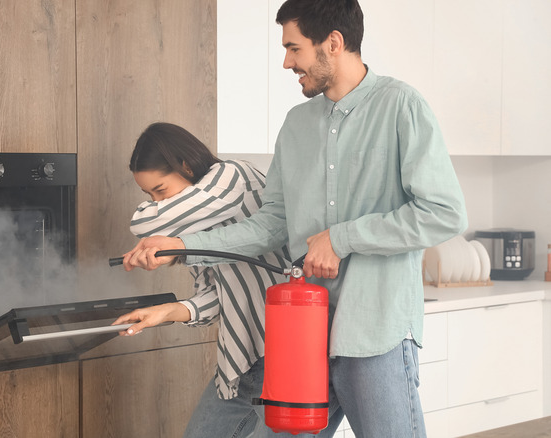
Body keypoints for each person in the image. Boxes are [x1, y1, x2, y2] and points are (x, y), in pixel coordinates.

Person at [120, 1, 467, 437]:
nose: (287, 62)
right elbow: (270, 224)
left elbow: (444, 213)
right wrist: (183, 247)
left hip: (374, 330)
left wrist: (341, 238)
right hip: (304, 332)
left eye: (294, 48)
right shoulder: (297, 124)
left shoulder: (401, 107)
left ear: (334, 44)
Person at [113, 122, 292, 438]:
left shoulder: (234, 176)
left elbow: (144, 225)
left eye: (160, 190)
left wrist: (164, 239)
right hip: (241, 363)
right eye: (149, 195)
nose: (156, 203)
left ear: (185, 165)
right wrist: (168, 311)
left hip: (286, 356)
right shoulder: (192, 228)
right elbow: (213, 297)